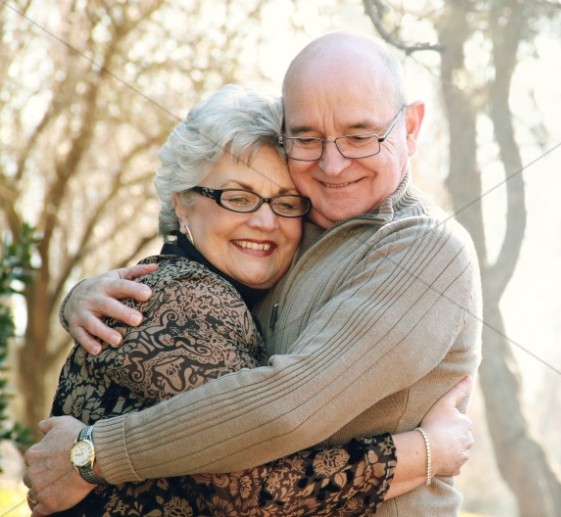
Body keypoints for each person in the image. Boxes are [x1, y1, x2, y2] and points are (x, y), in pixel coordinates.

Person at [25, 31, 482, 516]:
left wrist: (97, 454)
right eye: (307, 138)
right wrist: (78, 295)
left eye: (359, 136)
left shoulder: (425, 247)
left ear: (410, 127)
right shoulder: (291, 236)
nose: (332, 163)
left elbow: (288, 407)